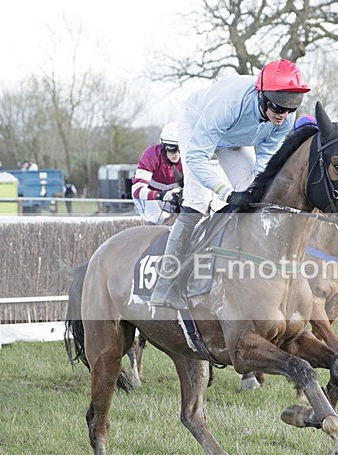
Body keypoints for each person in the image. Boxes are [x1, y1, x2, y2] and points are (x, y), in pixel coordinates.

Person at [150, 58, 311, 308]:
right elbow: (196, 157)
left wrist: (252, 188)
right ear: (262, 96)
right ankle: (164, 284)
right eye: (278, 108)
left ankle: (239, 272)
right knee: (198, 199)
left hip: (233, 138)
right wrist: (226, 193)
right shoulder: (228, 105)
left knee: (253, 194)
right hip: (197, 126)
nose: (283, 115)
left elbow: (266, 157)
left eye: (289, 109)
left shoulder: (286, 117)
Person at [132, 123, 183, 225]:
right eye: (172, 149)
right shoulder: (151, 156)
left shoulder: (187, 157)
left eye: (180, 148)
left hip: (170, 196)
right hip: (148, 196)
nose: (176, 154)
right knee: (158, 219)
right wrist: (161, 195)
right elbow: (137, 191)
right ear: (163, 147)